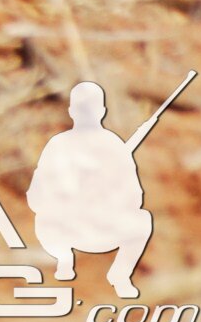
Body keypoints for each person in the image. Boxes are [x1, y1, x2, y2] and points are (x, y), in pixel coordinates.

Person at [28, 81, 153, 301]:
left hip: (95, 227)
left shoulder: (111, 146)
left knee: (142, 220)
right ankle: (64, 260)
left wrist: (106, 192)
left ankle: (118, 274)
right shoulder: (61, 145)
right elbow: (37, 195)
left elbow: (134, 196)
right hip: (66, 228)